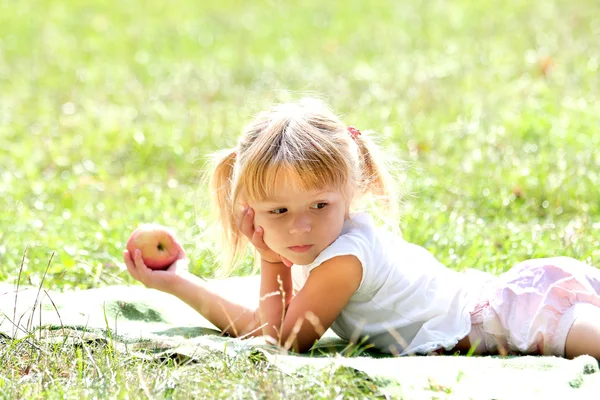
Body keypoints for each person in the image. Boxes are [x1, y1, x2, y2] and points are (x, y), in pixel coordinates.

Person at [123, 98, 600, 359]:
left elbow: (283, 342)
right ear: (251, 209)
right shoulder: (328, 246)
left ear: (350, 189)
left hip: (517, 315)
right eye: (278, 212)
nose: (300, 227)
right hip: (521, 297)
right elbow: (267, 327)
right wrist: (178, 281)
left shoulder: (343, 259)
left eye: (318, 204)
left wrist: (270, 261)